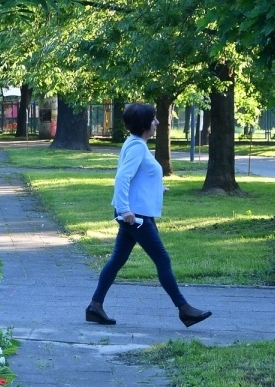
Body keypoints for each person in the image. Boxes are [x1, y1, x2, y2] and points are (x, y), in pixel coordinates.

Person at [86, 102, 212, 328]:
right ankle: (184, 310)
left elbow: (138, 177)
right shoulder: (136, 147)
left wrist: (155, 188)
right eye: (154, 119)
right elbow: (122, 178)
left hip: (135, 214)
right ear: (145, 124)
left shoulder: (136, 144)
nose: (157, 122)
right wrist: (125, 210)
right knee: (162, 259)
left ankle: (95, 306)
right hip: (135, 217)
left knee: (117, 260)